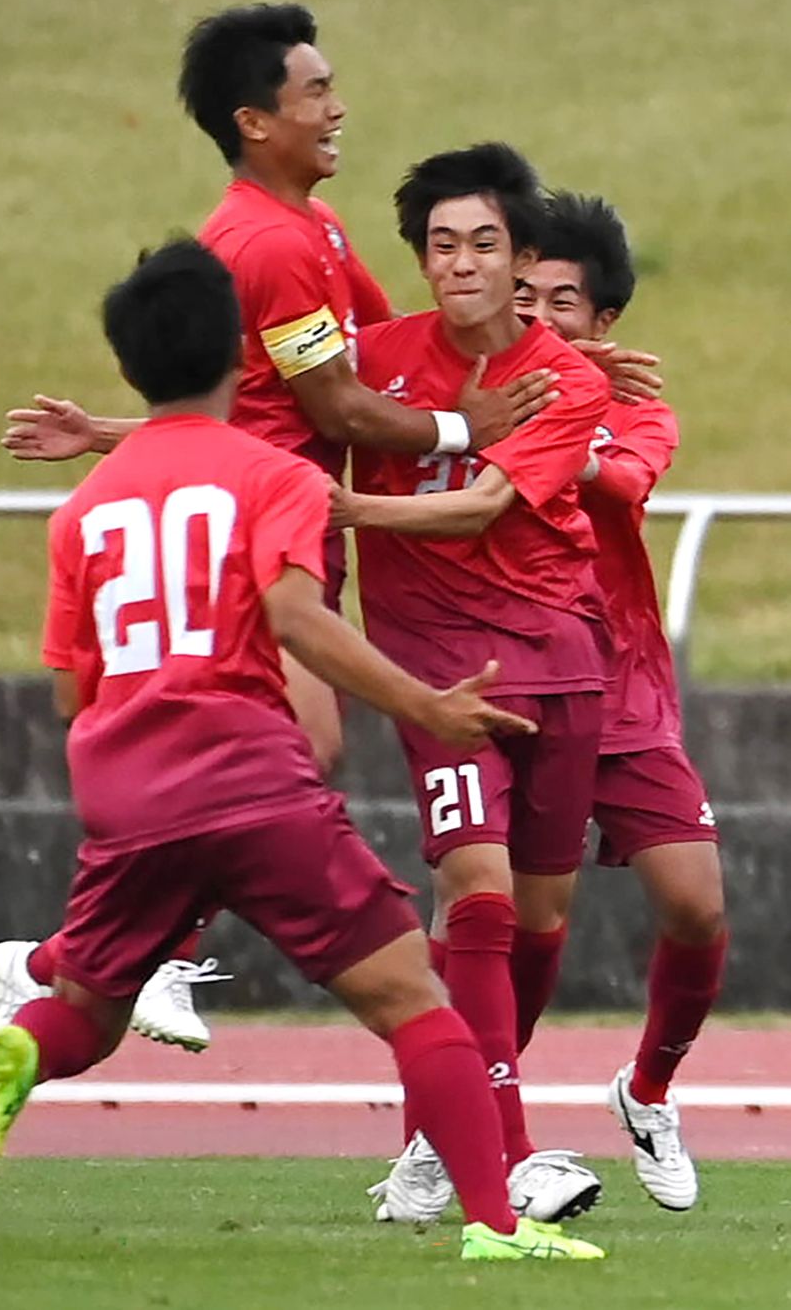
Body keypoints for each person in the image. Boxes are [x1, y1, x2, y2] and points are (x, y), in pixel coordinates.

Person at [0, 238, 605, 1265]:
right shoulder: (275, 474)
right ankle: (496, 1229)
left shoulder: (86, 509)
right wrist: (427, 702)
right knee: (417, 1006)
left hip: (122, 792)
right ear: (246, 361)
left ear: (128, 367)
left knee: (91, 1012)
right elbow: (298, 616)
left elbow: (72, 686)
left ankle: (18, 1047)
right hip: (249, 778)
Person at [0, 3, 556, 1049]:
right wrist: (460, 420)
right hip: (260, 530)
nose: (339, 107)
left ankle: (66, 961)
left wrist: (550, 345)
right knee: (302, 746)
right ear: (257, 120)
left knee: (302, 753)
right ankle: (139, 954)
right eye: (316, 93)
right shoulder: (271, 244)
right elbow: (338, 405)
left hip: (287, 516)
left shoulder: (313, 229)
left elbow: (370, 351)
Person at [330, 142, 612, 1226]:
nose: (460, 263)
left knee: (537, 922)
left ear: (521, 256)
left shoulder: (565, 376)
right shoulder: (372, 359)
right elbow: (263, 427)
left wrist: (352, 511)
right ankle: (513, 1148)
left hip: (558, 655)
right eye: (440, 245)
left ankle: (432, 1132)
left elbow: (484, 505)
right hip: (435, 668)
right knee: (478, 890)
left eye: (483, 243)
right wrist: (113, 434)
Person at [509, 191, 727, 1211]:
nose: (538, 318)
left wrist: (559, 403)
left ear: (604, 326)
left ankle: (646, 1090)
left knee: (697, 905)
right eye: (523, 298)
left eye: (563, 303)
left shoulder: (634, 406)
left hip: (622, 687)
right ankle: (458, 1124)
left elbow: (617, 483)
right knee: (504, 927)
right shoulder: (468, 404)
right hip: (511, 686)